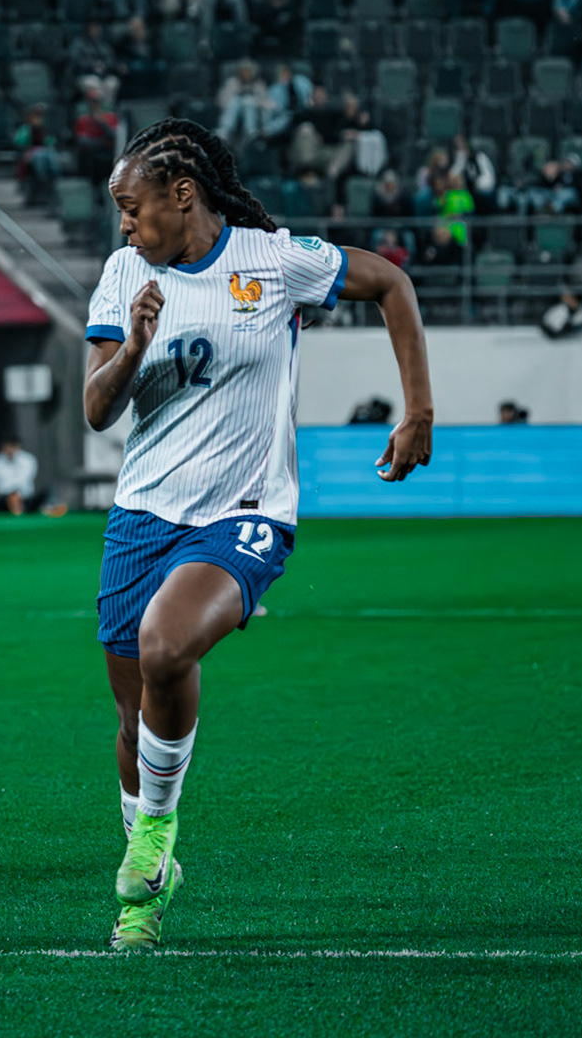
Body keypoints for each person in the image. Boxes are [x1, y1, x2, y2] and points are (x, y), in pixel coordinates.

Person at [82, 119, 432, 949]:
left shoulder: (273, 261)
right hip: (141, 518)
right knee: (133, 723)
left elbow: (392, 285)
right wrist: (133, 343)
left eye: (131, 208)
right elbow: (98, 409)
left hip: (245, 514)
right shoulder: (124, 273)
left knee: (168, 646)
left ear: (183, 194)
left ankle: (156, 839)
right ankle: (146, 895)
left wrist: (417, 407)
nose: (124, 226)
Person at [0, 436, 40, 514]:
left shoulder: (28, 460)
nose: (10, 450)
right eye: (7, 446)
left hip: (24, 498)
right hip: (1, 499)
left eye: (12, 446)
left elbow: (23, 480)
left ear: (17, 447)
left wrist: (10, 490)